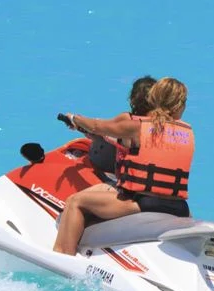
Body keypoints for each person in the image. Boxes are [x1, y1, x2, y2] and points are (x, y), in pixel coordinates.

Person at [52, 77, 193, 255]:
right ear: (180, 106)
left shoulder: (137, 127)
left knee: (75, 201)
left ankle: (62, 254)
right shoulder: (186, 132)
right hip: (180, 207)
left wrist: (74, 118)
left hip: (145, 203)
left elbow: (96, 126)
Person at [86, 74, 156, 179]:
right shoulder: (164, 125)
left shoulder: (128, 121)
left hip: (128, 185)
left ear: (132, 99)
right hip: (152, 182)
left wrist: (75, 119)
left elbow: (100, 128)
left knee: (75, 196)